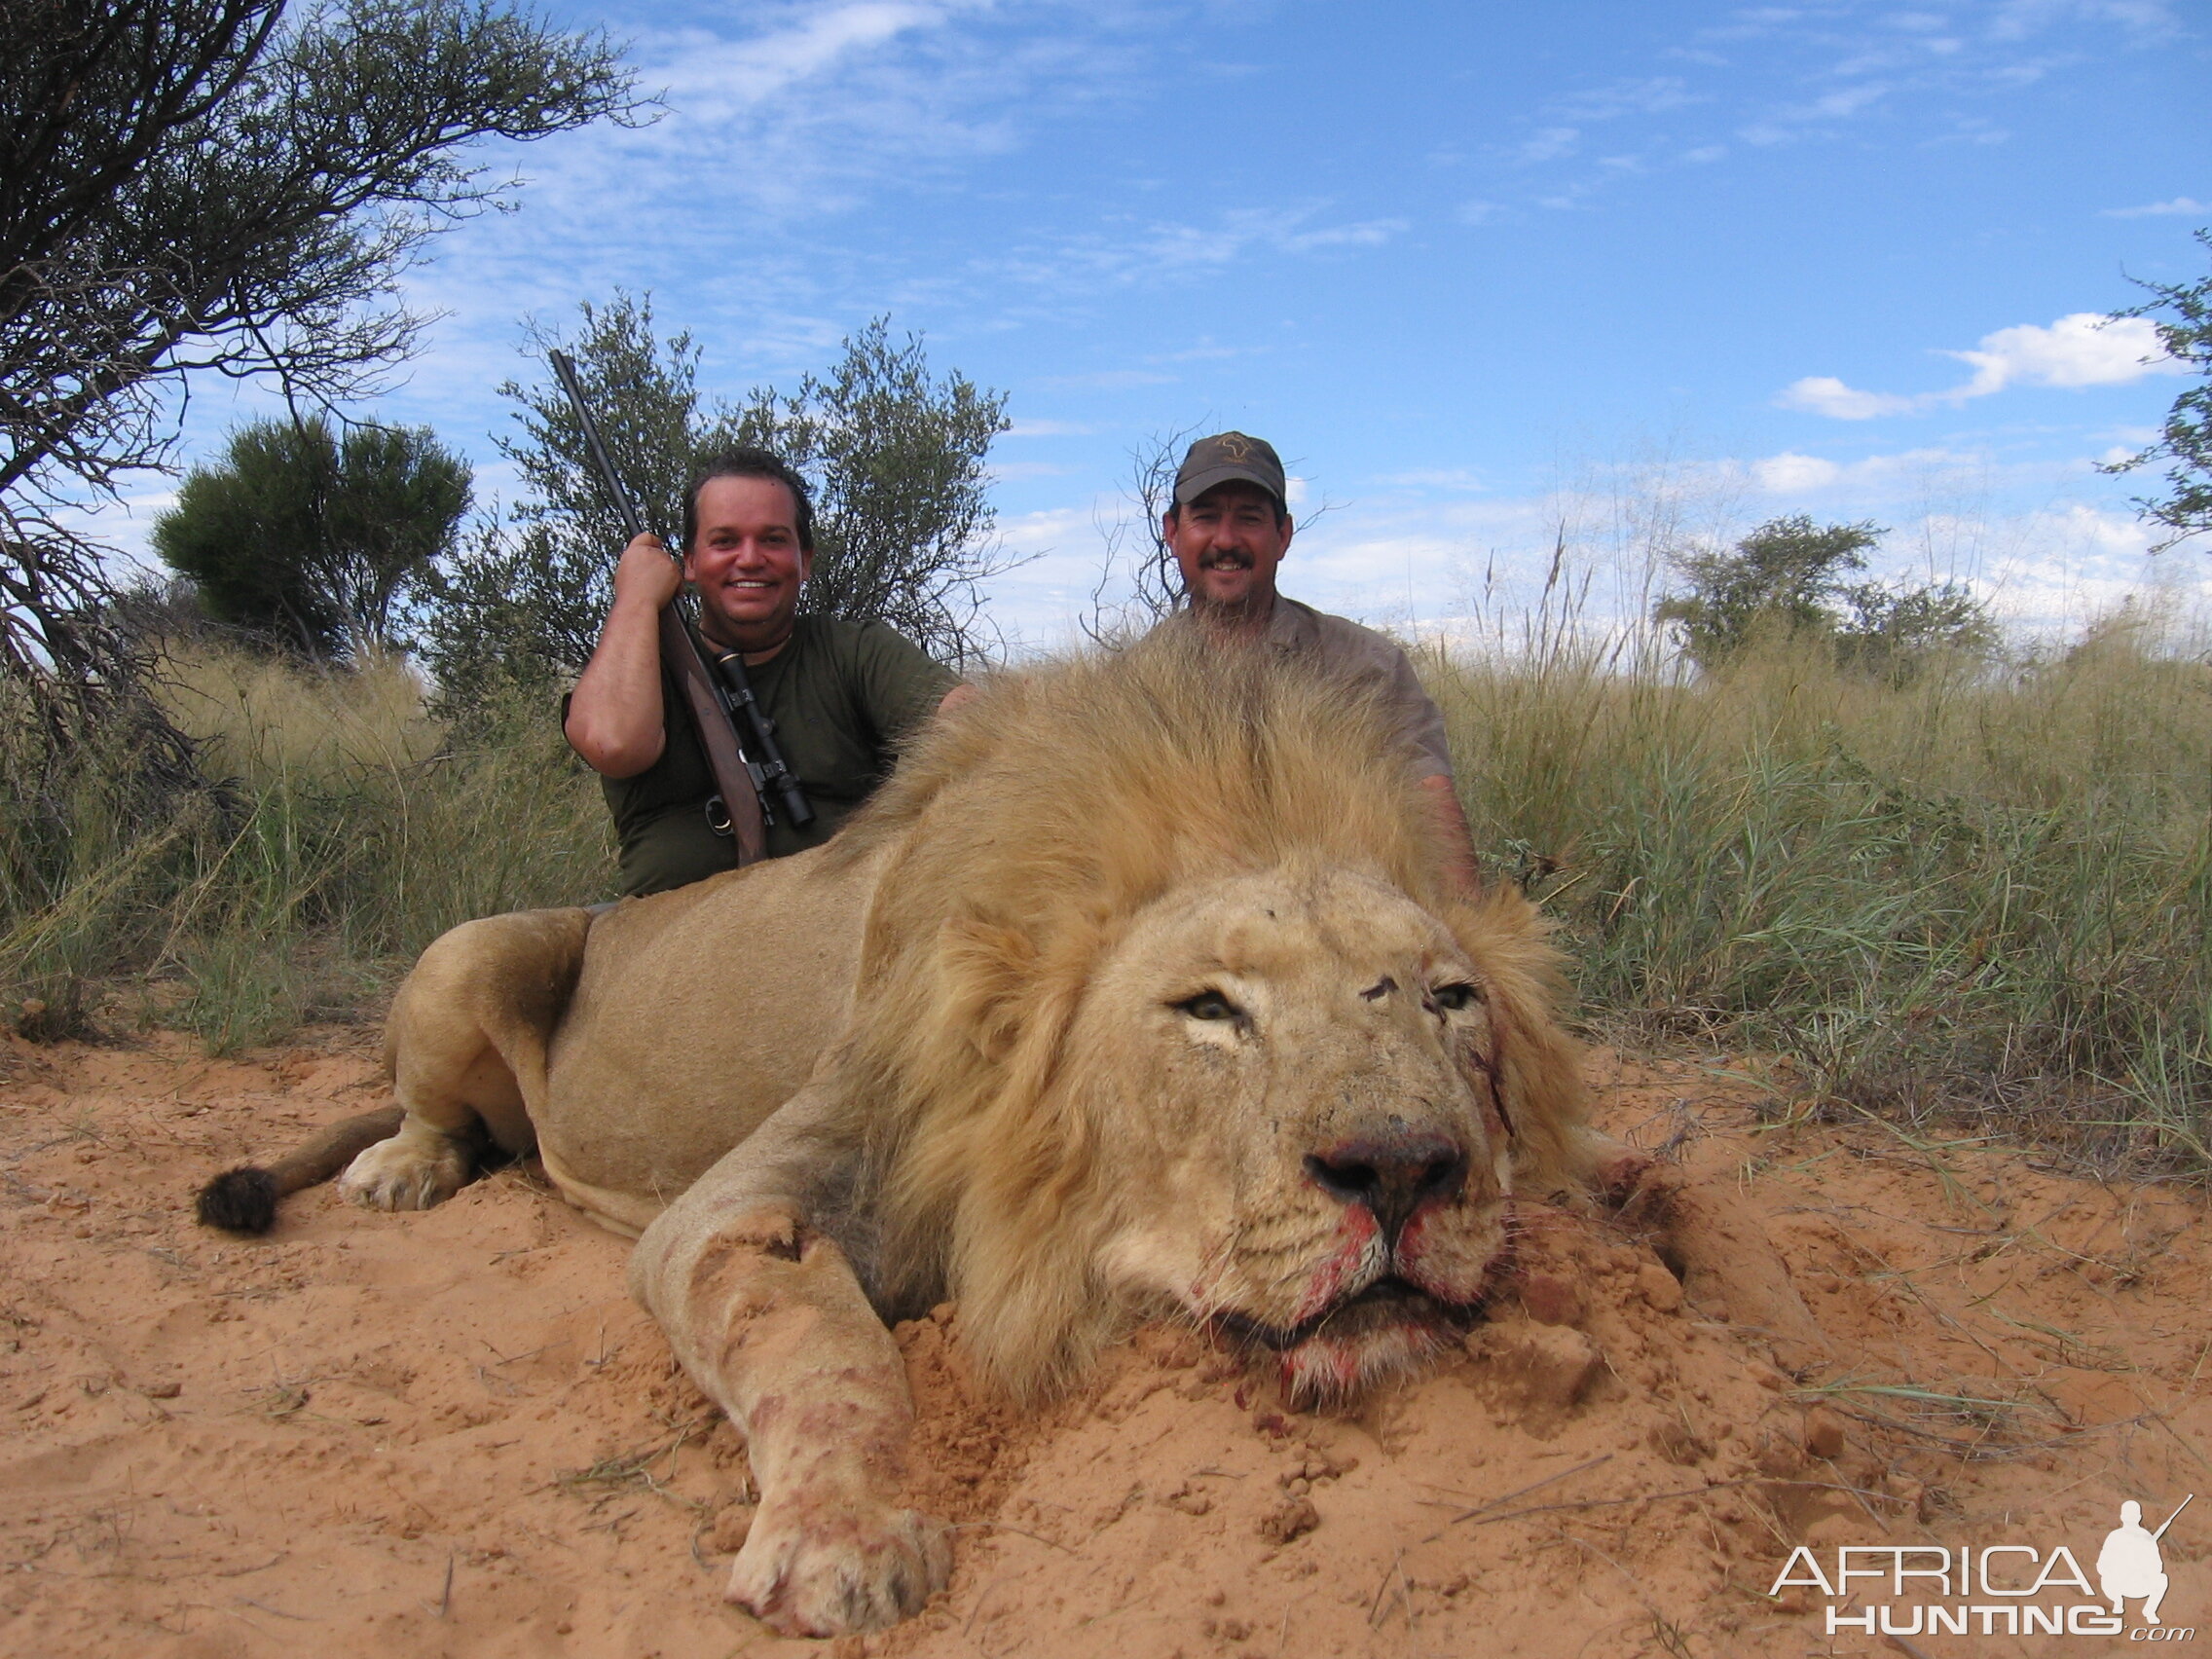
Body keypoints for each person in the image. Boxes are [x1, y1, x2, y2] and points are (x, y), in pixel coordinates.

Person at [564, 448, 966, 897]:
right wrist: (636, 598)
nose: (750, 559)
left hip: (838, 930)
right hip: (662, 943)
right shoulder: (639, 663)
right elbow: (611, 743)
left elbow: (966, 721)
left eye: (773, 539)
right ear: (689, 564)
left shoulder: (857, 650)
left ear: (804, 560)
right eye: (724, 541)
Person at [1157, 430, 1482, 892]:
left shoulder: (1368, 665)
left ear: (1284, 535)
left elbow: (1430, 801)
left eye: (1249, 519)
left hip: (1342, 910)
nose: (1225, 540)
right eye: (1206, 518)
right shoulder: (1129, 685)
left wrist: (1467, 936)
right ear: (1173, 532)